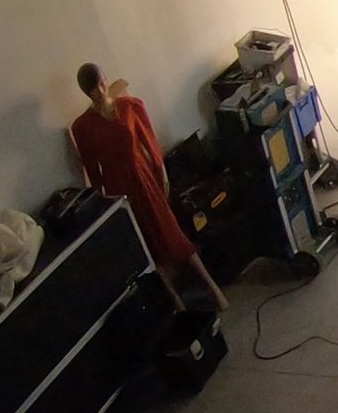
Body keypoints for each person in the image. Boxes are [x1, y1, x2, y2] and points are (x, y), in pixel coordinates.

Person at [69, 63, 228, 310]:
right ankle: (176, 300)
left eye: (100, 85)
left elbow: (149, 141)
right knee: (146, 242)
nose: (99, 92)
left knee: (171, 232)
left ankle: (213, 289)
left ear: (105, 79)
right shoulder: (82, 127)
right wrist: (106, 202)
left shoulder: (130, 106)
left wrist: (161, 172)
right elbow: (92, 168)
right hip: (118, 189)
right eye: (92, 91)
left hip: (143, 179)